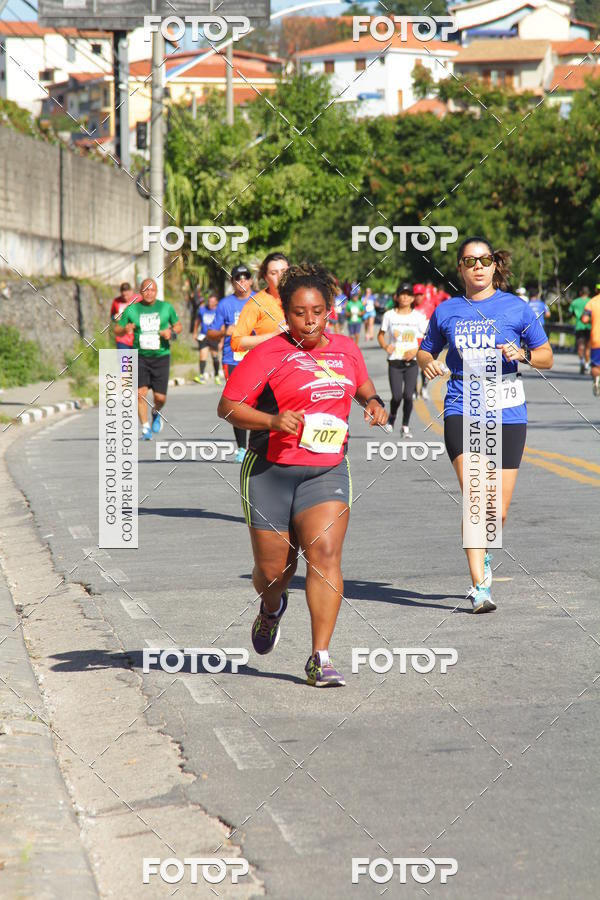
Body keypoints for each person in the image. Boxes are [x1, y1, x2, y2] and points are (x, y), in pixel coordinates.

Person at [217, 263, 388, 686]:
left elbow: (361, 384)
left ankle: (320, 657)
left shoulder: (347, 349)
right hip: (270, 471)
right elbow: (228, 407)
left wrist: (373, 401)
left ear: (330, 309)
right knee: (275, 571)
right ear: (286, 313)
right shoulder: (268, 353)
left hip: (325, 470)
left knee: (325, 556)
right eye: (298, 313)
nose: (309, 321)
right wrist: (273, 423)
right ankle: (271, 607)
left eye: (317, 312)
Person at [417, 236, 553, 613]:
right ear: (459, 268)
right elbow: (425, 348)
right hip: (463, 406)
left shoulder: (517, 308)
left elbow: (546, 357)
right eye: (469, 260)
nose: (478, 266)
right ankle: (479, 588)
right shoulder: (447, 311)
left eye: (485, 259)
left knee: (498, 512)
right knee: (476, 499)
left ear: (495, 265)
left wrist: (522, 353)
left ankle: (485, 556)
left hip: (508, 410)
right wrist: (425, 361)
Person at [114, 278, 182, 440]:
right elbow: (117, 330)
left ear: (156, 292)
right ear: (140, 292)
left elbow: (178, 326)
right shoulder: (132, 309)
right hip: (140, 356)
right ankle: (145, 428)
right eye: (145, 290)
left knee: (160, 397)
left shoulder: (166, 308)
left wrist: (171, 333)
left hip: (161, 357)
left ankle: (156, 411)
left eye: (152, 290)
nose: (149, 293)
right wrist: (125, 329)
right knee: (140, 394)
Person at [207, 264, 255, 462]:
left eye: (245, 278)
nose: (242, 281)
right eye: (238, 278)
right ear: (232, 282)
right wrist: (224, 331)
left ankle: (258, 444)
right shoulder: (225, 304)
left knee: (259, 401)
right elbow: (210, 332)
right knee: (238, 402)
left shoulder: (260, 301)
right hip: (232, 358)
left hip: (258, 357)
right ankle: (242, 448)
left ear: (251, 280)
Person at [378, 283, 427, 437]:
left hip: (411, 362)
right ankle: (392, 417)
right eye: (402, 294)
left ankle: (405, 426)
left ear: (413, 298)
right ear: (397, 297)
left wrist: (416, 350)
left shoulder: (418, 317)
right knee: (397, 396)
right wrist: (386, 346)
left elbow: (428, 337)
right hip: (394, 361)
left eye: (408, 294)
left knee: (408, 395)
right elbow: (380, 334)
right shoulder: (389, 315)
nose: (405, 297)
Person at [230, 253, 289, 354]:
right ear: (265, 277)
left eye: (284, 271)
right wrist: (274, 335)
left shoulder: (302, 298)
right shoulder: (255, 303)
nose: (280, 276)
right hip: (272, 365)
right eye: (274, 273)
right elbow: (236, 342)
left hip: (301, 365)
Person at [193, 293, 222, 385]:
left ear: (216, 302)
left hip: (214, 336)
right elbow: (197, 321)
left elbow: (222, 326)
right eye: (209, 301)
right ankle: (201, 376)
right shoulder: (202, 310)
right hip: (203, 336)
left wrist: (221, 340)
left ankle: (217, 375)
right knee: (202, 355)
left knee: (215, 357)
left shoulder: (219, 311)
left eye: (213, 301)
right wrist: (194, 333)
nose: (210, 303)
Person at [580, 288, 600, 396]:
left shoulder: (592, 302)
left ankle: (596, 381)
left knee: (596, 365)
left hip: (597, 338)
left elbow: (584, 319)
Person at [110, 283, 140, 349]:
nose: (125, 297)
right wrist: (114, 317)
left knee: (135, 359)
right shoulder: (116, 301)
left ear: (131, 291)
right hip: (122, 338)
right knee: (124, 359)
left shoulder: (139, 299)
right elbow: (112, 315)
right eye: (123, 295)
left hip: (136, 337)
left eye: (127, 295)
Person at [569, 286, 591, 374]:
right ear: (588, 293)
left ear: (580, 293)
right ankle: (586, 364)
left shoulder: (575, 302)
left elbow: (571, 312)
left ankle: (582, 361)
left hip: (579, 326)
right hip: (589, 326)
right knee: (588, 347)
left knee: (580, 346)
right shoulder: (591, 301)